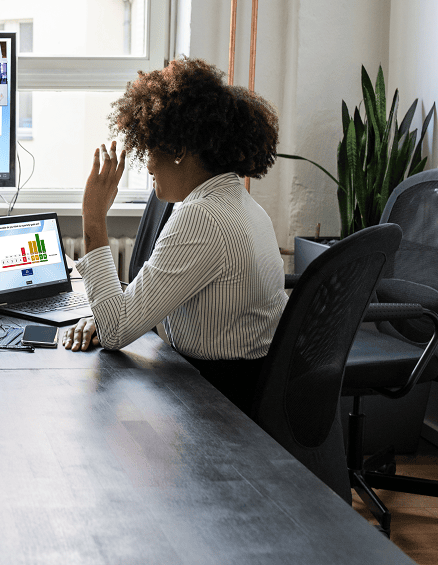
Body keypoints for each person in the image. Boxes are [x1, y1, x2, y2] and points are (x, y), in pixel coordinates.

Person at [61, 57, 286, 415]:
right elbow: (144, 312)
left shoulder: (202, 218)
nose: (147, 165)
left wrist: (93, 219)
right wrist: (108, 314)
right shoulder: (236, 201)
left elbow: (117, 331)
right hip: (230, 384)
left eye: (150, 148)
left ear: (179, 151)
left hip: (213, 402)